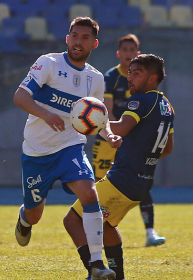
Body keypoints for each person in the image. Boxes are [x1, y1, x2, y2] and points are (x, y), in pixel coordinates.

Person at [13, 17, 121, 280]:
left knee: (89, 192)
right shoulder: (48, 63)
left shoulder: (94, 79)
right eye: (75, 35)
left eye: (85, 38)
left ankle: (96, 264)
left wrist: (108, 135)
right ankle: (25, 218)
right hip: (37, 152)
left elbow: (98, 119)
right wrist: (46, 115)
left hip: (70, 147)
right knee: (35, 213)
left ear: (94, 44)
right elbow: (20, 96)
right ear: (67, 38)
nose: (78, 41)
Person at [64, 54, 174, 280]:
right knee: (105, 225)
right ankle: (118, 276)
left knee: (72, 220)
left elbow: (122, 128)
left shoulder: (140, 101)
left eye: (137, 73)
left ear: (152, 78)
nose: (129, 77)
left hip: (121, 180)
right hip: (142, 184)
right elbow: (168, 148)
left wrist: (86, 121)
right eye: (129, 72)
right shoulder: (166, 106)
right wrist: (144, 157)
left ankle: (94, 271)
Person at [92, 34, 166, 248]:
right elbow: (107, 110)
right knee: (98, 186)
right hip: (110, 137)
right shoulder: (111, 77)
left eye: (132, 50)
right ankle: (96, 230)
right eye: (124, 50)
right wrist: (115, 134)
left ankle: (150, 232)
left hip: (130, 139)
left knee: (140, 184)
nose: (128, 53)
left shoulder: (145, 82)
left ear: (138, 53)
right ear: (118, 53)